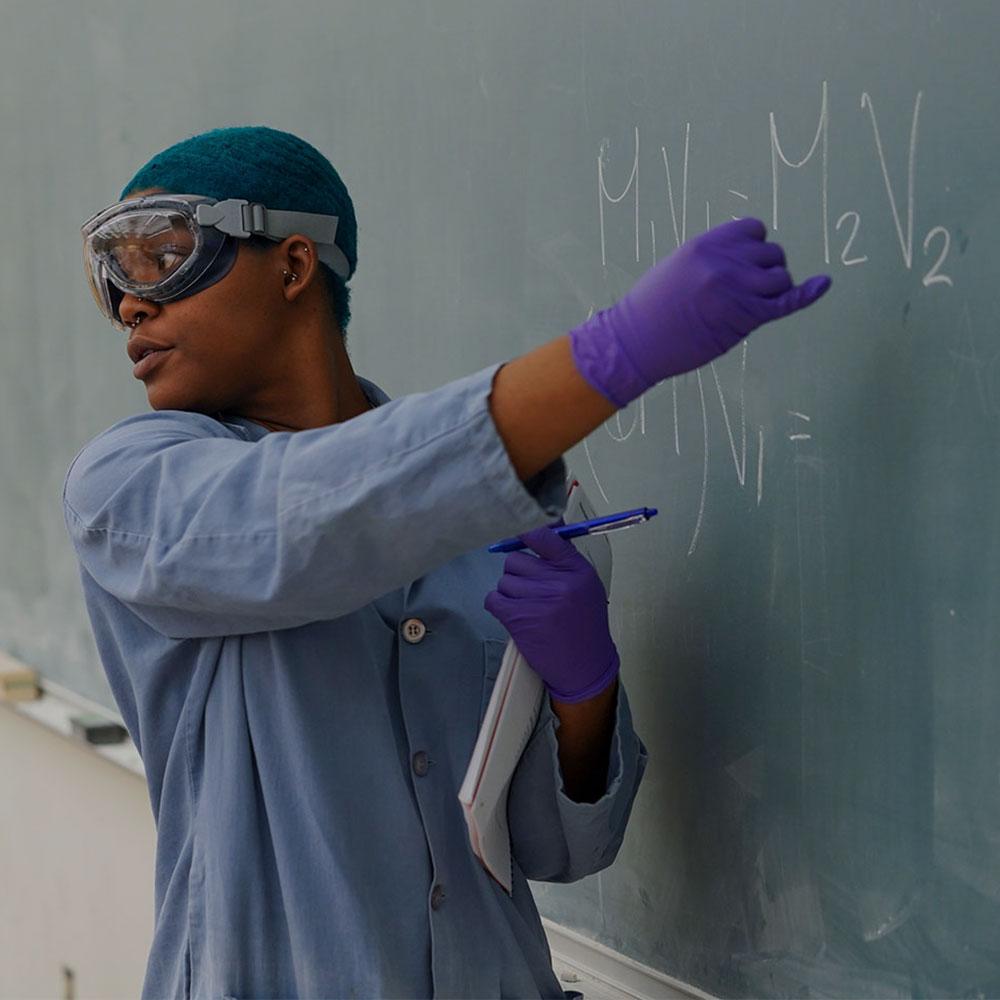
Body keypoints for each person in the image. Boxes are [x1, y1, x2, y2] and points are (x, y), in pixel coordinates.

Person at [63, 125, 829, 999]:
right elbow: (303, 526)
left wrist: (586, 693)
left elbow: (556, 849)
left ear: (293, 263)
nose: (130, 302)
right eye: (110, 278)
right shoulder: (131, 485)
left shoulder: (514, 516)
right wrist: (616, 352)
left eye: (162, 256)